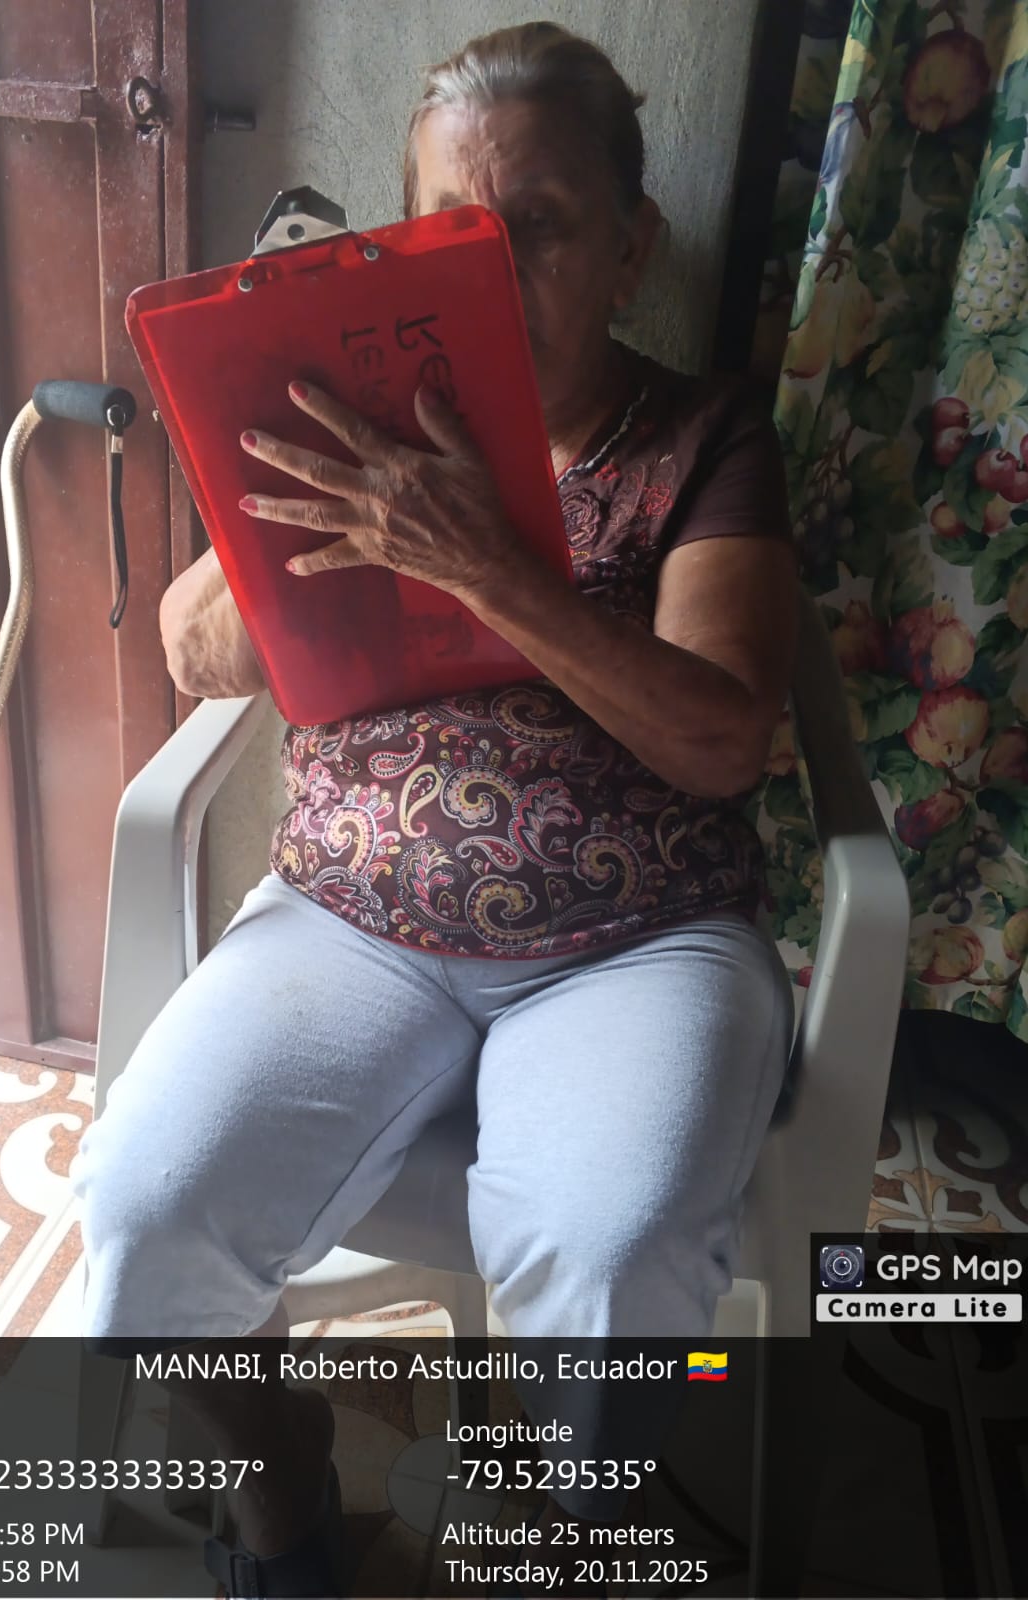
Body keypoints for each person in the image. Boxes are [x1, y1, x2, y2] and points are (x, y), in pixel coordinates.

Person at [73, 19, 796, 1597]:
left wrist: (487, 565)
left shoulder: (703, 437)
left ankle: (577, 1533)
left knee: (613, 1259)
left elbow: (724, 738)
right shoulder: (361, 427)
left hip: (637, 939)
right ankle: (283, 1499)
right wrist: (309, 497)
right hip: (349, 921)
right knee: (141, 1215)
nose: (496, 266)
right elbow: (195, 652)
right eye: (454, 232)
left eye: (540, 226)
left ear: (631, 248)